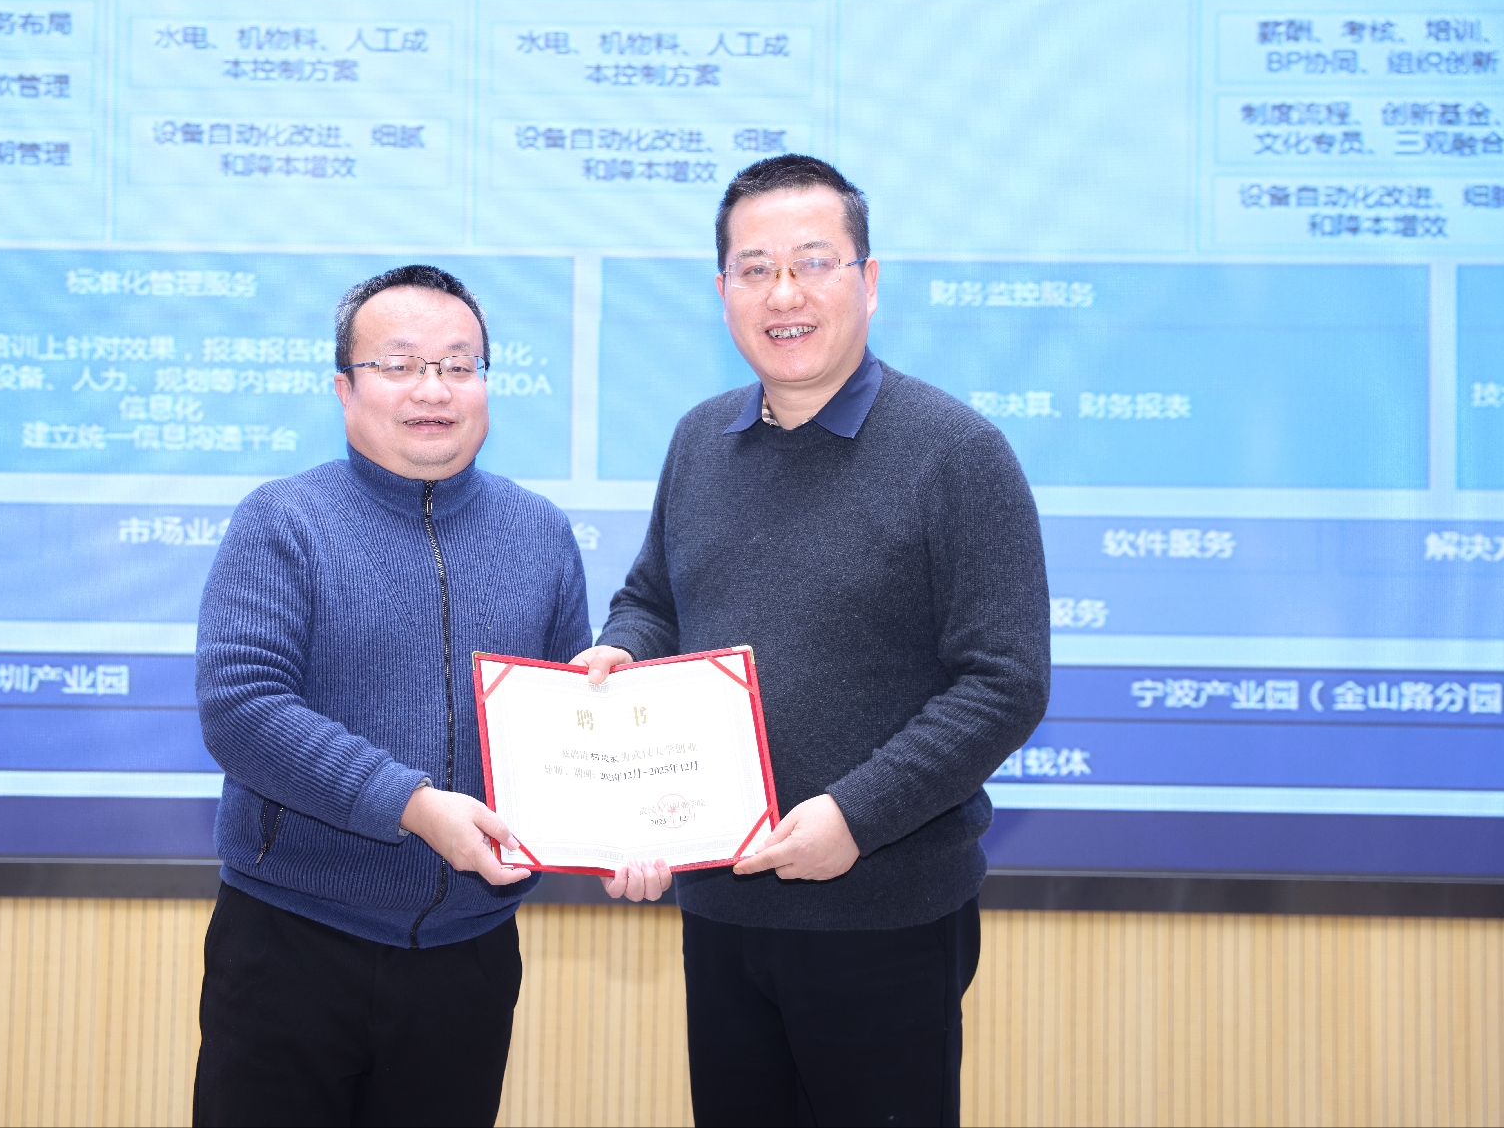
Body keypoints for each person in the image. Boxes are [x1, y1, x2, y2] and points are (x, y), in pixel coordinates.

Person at [572, 155, 1052, 1127]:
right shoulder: (698, 439)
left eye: (813, 262)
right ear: (723, 291)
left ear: (868, 281)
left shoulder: (957, 452)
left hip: (885, 910)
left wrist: (856, 816)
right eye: (754, 269)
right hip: (720, 904)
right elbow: (653, 598)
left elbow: (1004, 681)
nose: (783, 293)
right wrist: (622, 651)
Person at [191, 264, 597, 1127]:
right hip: (290, 944)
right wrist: (411, 804)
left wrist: (626, 832)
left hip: (470, 956)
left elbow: (573, 730)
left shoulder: (540, 532)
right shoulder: (283, 520)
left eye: (458, 365)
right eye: (400, 364)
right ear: (345, 387)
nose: (433, 389)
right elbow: (242, 707)